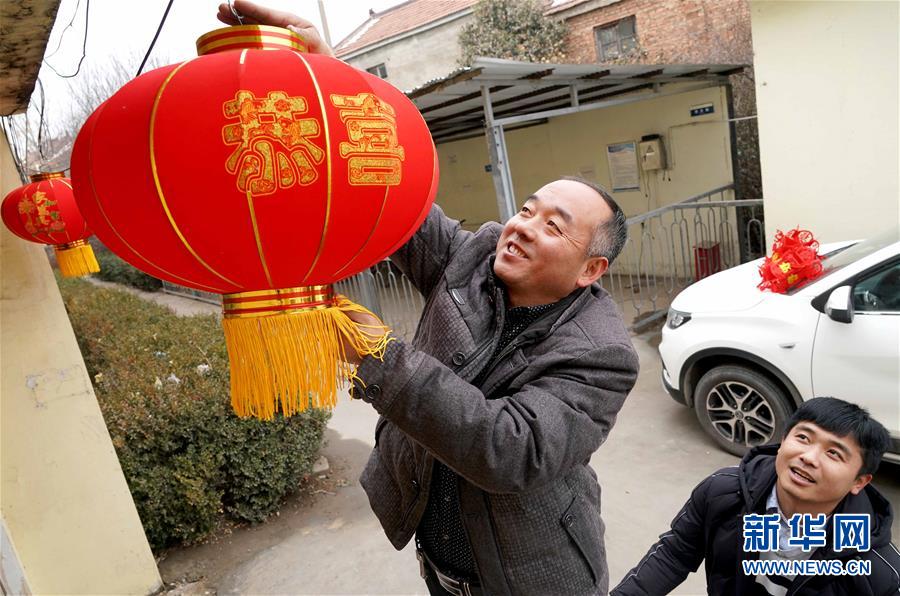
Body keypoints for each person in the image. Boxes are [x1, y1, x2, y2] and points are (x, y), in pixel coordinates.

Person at [218, 4, 639, 594]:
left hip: (529, 572)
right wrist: (327, 73)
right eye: (527, 209)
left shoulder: (602, 356)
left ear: (590, 269)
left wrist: (379, 356)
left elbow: (509, 450)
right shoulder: (472, 258)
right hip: (439, 558)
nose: (522, 226)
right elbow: (397, 200)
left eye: (553, 225)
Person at [612, 397, 900, 596]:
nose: (809, 457)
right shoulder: (722, 492)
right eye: (803, 438)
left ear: (859, 481)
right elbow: (674, 555)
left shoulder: (877, 568)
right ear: (782, 441)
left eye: (833, 453)